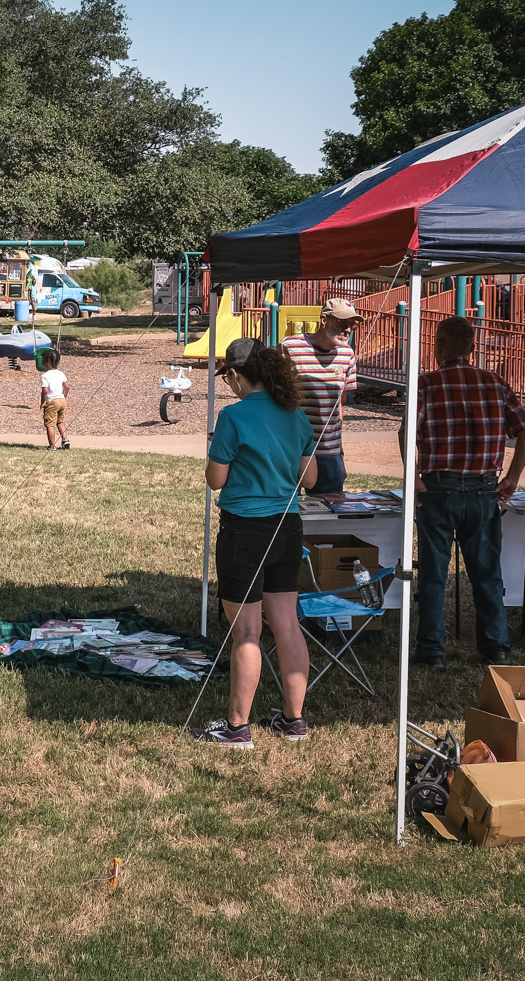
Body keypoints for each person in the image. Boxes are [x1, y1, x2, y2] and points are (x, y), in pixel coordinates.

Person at [195, 338, 317, 748]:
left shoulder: (233, 416)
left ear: (234, 375)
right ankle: (293, 720)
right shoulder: (296, 415)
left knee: (246, 631)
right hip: (288, 527)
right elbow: (311, 479)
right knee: (286, 625)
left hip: (246, 529)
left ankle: (236, 728)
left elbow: (216, 480)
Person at [406, 315, 525, 668]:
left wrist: (413, 474)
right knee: (486, 572)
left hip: (439, 486)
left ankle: (432, 650)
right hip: (483, 488)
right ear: (472, 347)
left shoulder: (426, 383)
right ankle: (496, 647)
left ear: (437, 347)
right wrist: (512, 476)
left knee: (434, 573)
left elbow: (407, 431)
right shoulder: (494, 382)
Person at [281, 297, 360, 494]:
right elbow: (275, 396)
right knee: (287, 515)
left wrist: (340, 453)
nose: (348, 329)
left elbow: (339, 406)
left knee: (327, 519)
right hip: (293, 450)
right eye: (343, 323)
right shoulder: (289, 347)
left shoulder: (347, 354)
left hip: (328, 453)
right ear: (324, 320)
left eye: (352, 324)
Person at [40, 349, 70, 449]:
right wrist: (63, 397)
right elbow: (66, 387)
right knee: (60, 421)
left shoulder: (45, 376)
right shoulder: (61, 373)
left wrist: (43, 402)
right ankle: (65, 439)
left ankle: (52, 446)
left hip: (52, 402)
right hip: (62, 400)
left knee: (50, 424)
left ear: (46, 361)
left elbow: (45, 391)